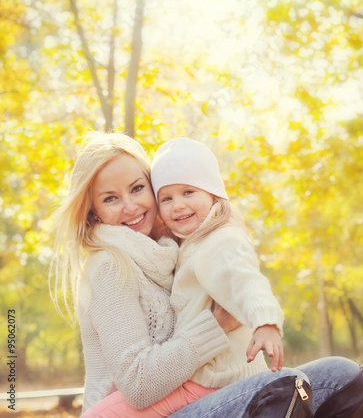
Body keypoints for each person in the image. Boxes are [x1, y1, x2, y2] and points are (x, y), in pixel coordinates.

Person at [50, 131, 363, 418]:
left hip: (196, 394)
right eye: (110, 198)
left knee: (341, 375)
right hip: (141, 412)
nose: (130, 206)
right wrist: (217, 325)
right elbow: (137, 386)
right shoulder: (109, 266)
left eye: (137, 188)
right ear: (94, 211)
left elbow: (238, 275)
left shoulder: (171, 249)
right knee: (282, 388)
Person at [151, 136, 285, 386]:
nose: (178, 205)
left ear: (212, 194)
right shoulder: (190, 242)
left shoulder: (222, 238)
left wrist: (266, 322)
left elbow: (245, 279)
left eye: (188, 192)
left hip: (221, 378)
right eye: (166, 199)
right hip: (203, 374)